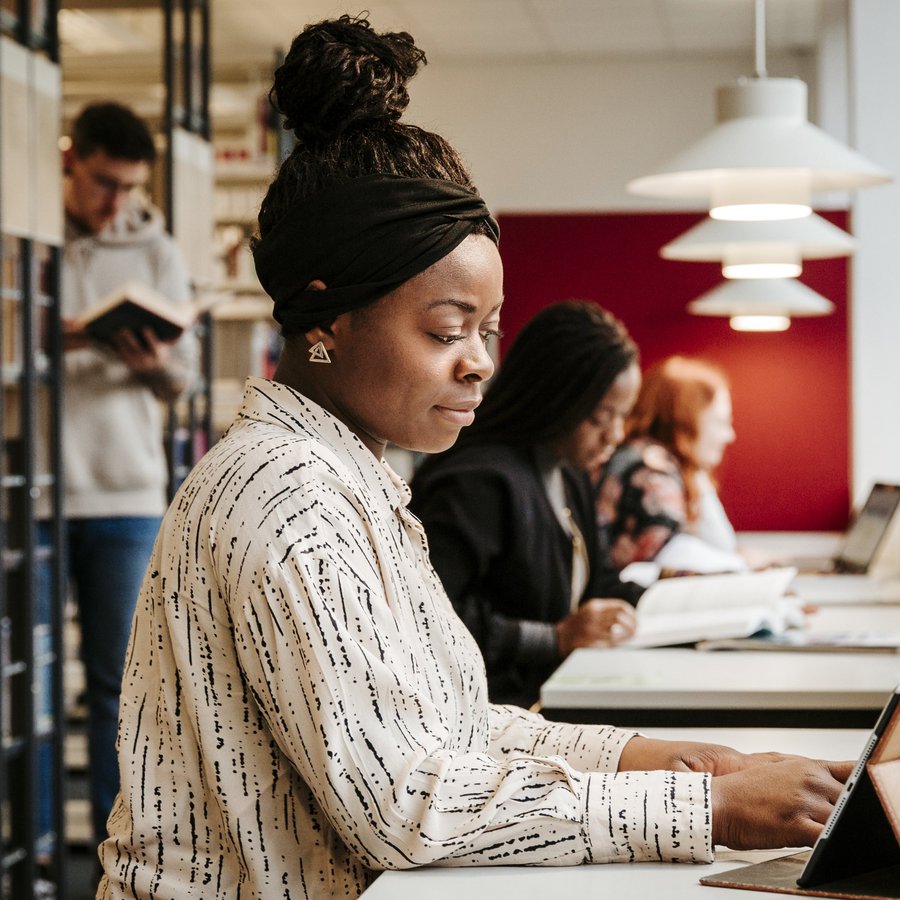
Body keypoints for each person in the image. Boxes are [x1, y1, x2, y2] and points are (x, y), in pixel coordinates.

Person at [99, 16, 851, 899]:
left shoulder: (349, 478)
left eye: (488, 331)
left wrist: (667, 758)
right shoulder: (285, 493)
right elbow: (405, 803)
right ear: (325, 317)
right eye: (446, 331)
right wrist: (702, 808)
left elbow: (448, 733)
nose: (481, 361)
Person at [40, 100, 197, 851]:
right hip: (31, 493)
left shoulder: (156, 246)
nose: (115, 203)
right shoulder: (24, 233)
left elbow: (184, 380)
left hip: (129, 496)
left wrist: (155, 366)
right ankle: (35, 850)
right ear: (72, 160)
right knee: (30, 693)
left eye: (129, 188)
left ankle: (115, 855)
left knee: (119, 688)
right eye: (104, 183)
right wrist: (56, 341)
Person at [409, 300, 642, 707]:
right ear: (556, 398)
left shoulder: (568, 473)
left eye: (622, 416)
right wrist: (553, 639)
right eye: (602, 417)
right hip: (489, 716)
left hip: (553, 701)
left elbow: (598, 584)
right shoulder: (476, 482)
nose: (615, 436)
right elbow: (429, 619)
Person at [596, 355, 747, 574]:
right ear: (686, 420)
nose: (729, 435)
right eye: (720, 422)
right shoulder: (651, 471)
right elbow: (671, 563)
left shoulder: (652, 461)